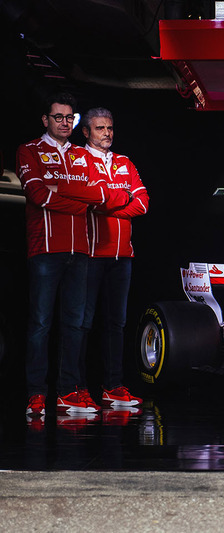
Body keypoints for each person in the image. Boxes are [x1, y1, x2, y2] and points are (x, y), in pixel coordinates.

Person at [16, 93, 129, 417]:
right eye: (58, 117)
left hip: (81, 251)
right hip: (45, 249)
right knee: (40, 324)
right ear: (45, 120)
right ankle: (36, 394)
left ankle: (68, 392)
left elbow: (107, 196)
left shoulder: (83, 155)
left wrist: (62, 190)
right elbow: (37, 195)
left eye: (70, 118)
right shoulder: (29, 150)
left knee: (74, 325)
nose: (64, 122)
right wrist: (83, 201)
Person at [79, 107, 148, 407]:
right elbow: (87, 202)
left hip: (123, 256)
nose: (106, 133)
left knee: (116, 324)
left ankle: (113, 387)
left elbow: (143, 203)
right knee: (81, 324)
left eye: (109, 128)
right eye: (99, 128)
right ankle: (76, 388)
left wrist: (112, 207)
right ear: (87, 132)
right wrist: (115, 202)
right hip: (89, 255)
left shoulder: (124, 162)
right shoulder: (77, 160)